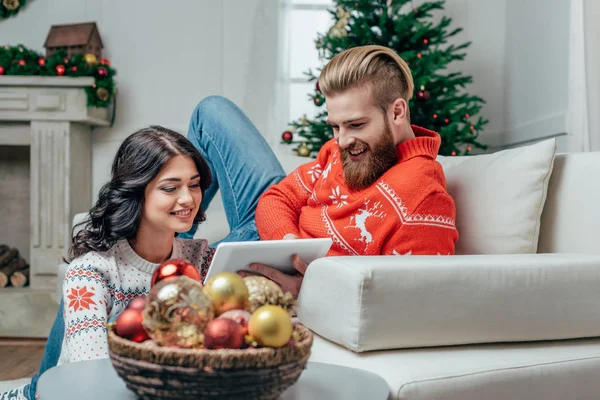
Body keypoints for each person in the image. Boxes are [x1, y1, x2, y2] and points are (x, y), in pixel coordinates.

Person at [182, 44, 458, 293]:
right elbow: (276, 198)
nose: (342, 140)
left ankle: (165, 253)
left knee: (173, 277)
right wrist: (286, 241)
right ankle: (172, 238)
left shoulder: (423, 200)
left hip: (275, 267)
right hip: (277, 238)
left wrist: (309, 289)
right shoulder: (346, 150)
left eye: (356, 124)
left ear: (397, 112)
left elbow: (408, 299)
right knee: (212, 111)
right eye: (336, 126)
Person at [0, 126, 214, 400]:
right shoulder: (91, 272)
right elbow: (91, 379)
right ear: (135, 193)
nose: (188, 199)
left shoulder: (203, 259)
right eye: (170, 188)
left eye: (194, 185)